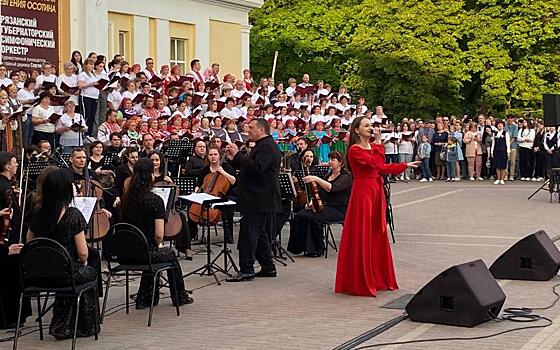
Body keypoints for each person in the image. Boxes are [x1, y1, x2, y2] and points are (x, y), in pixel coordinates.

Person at [335, 116, 418, 297]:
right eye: (366, 125)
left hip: (376, 191)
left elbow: (382, 167)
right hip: (363, 192)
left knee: (376, 233)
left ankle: (377, 277)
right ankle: (360, 280)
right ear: (356, 130)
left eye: (370, 125)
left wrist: (404, 165)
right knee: (363, 233)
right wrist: (380, 143)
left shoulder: (371, 148)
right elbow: (377, 164)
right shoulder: (355, 150)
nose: (370, 128)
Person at [27, 168, 101, 339]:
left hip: (39, 275)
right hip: (65, 274)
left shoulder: (37, 212)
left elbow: (30, 242)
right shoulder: (72, 215)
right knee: (89, 272)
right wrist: (82, 264)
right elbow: (83, 253)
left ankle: (63, 322)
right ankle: (84, 324)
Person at [119, 158, 192, 308]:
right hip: (145, 253)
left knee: (152, 255)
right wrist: (157, 245)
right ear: (151, 175)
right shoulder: (155, 200)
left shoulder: (126, 199)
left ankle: (145, 298)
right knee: (168, 254)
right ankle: (179, 296)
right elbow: (159, 234)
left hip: (124, 253)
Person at [224, 118, 281, 281]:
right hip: (256, 197)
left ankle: (246, 269)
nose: (248, 130)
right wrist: (234, 158)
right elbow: (249, 166)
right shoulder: (262, 146)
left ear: (262, 130)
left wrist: (238, 155)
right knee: (260, 233)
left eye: (251, 127)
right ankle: (268, 267)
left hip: (259, 198)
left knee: (249, 233)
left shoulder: (267, 147)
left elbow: (257, 168)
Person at [287, 151, 352, 257]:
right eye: (329, 159)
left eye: (333, 160)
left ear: (341, 163)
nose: (330, 162)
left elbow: (332, 188)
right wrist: (312, 203)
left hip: (339, 209)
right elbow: (320, 193)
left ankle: (316, 249)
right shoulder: (329, 175)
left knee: (314, 217)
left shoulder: (346, 177)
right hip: (326, 206)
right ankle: (300, 246)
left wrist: (316, 178)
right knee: (300, 215)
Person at [196, 146, 237, 244]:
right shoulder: (205, 169)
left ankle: (229, 235)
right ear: (207, 157)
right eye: (210, 155)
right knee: (192, 207)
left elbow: (234, 181)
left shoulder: (226, 167)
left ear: (219, 156)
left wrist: (222, 172)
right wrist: (197, 190)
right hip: (208, 195)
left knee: (228, 209)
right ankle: (193, 234)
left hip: (225, 195)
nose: (213, 157)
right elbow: (199, 183)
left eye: (215, 154)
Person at [491, 120, 511, 185]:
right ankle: (498, 178)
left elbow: (508, 143)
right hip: (496, 151)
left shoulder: (506, 133)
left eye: (501, 124)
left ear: (503, 126)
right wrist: (492, 151)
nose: (500, 125)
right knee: (497, 165)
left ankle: (502, 179)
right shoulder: (495, 133)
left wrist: (508, 151)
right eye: (499, 124)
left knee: (503, 165)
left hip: (503, 151)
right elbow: (493, 143)